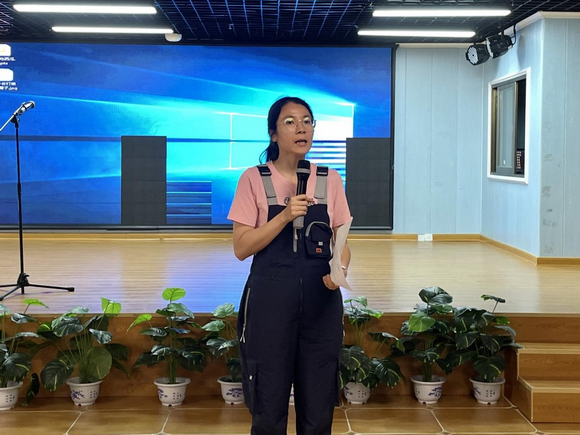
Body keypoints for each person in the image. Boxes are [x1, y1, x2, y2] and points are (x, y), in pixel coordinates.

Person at [228, 96, 351, 435]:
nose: (301, 128)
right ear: (273, 133)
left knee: (318, 413)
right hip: (269, 302)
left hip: (321, 304)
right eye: (290, 122)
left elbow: (342, 243)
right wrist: (283, 216)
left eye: (307, 121)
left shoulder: (329, 179)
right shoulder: (253, 179)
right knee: (268, 409)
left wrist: (338, 271)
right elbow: (241, 248)